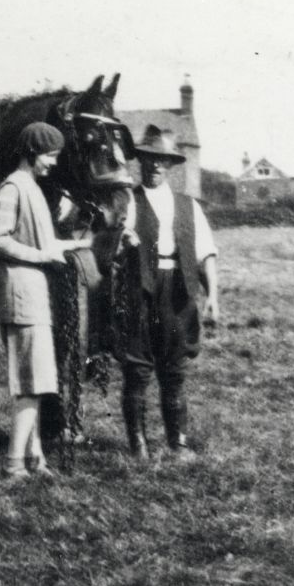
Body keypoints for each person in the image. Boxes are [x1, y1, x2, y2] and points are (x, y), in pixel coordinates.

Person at [0, 122, 91, 479]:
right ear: (32, 153)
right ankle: (16, 464)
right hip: (21, 296)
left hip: (33, 295)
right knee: (31, 385)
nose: (53, 163)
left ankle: (35, 458)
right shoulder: (12, 189)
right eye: (50, 155)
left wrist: (79, 245)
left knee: (38, 381)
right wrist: (43, 257)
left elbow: (44, 246)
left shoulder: (31, 186)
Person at [119, 125, 219, 461]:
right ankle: (139, 446)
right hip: (139, 288)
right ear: (141, 162)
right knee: (137, 367)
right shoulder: (127, 201)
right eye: (149, 159)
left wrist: (213, 297)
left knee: (174, 369)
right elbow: (107, 247)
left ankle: (178, 443)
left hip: (177, 287)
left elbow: (206, 254)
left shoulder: (188, 205)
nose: (155, 166)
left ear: (171, 165)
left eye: (162, 160)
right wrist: (124, 241)